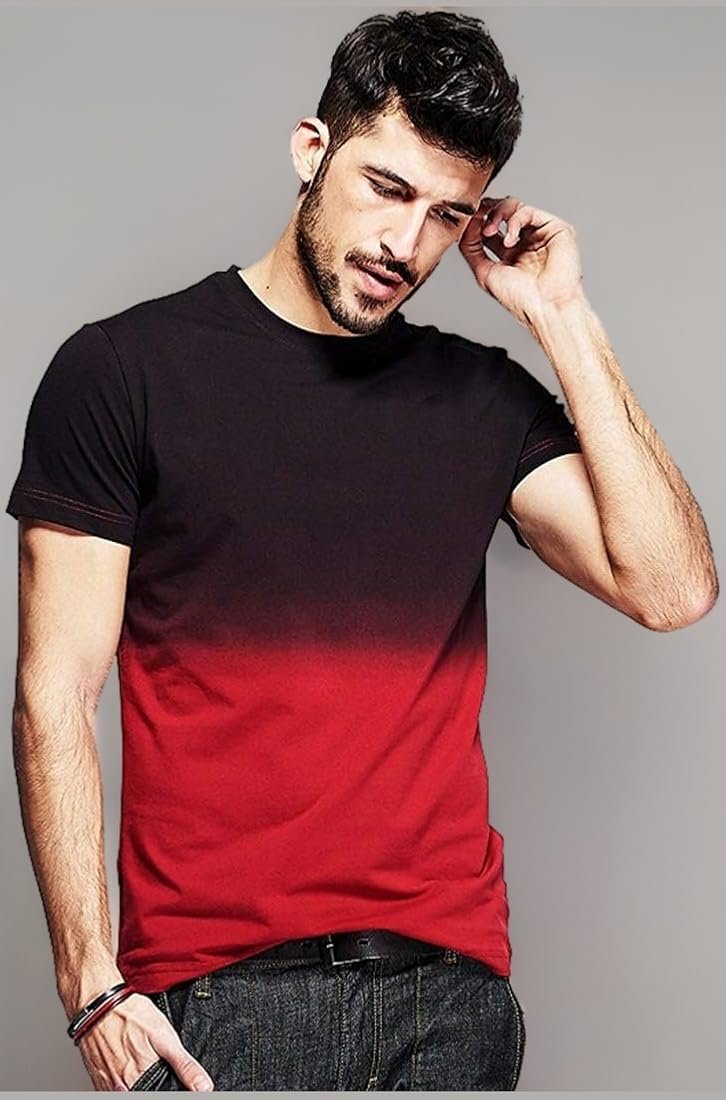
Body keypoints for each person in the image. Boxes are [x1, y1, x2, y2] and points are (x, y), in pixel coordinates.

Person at [6, 8, 718, 1093]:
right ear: (312, 150)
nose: (406, 245)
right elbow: (55, 692)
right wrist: (90, 982)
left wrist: (562, 313)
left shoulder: (478, 400)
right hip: (213, 998)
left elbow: (671, 590)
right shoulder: (122, 373)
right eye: (387, 188)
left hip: (448, 996)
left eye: (447, 214)